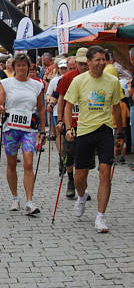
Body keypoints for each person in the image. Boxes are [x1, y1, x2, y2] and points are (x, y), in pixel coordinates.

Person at [64, 46, 123, 233]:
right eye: (97, 59)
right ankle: (81, 197)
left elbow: (117, 108)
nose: (101, 63)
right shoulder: (78, 81)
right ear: (88, 62)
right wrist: (67, 129)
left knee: (105, 172)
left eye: (103, 59)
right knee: (80, 176)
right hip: (84, 131)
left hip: (105, 130)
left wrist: (120, 134)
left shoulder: (113, 81)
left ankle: (100, 216)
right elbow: (68, 106)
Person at [0, 53, 46, 215]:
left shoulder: (37, 85)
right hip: (10, 127)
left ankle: (30, 201)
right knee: (11, 164)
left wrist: (43, 130)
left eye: (24, 65)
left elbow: (40, 108)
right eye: (18, 65)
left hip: (29, 128)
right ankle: (14, 197)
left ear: (29, 67)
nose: (21, 68)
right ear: (13, 67)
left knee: (28, 163)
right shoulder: (6, 83)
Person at [56, 48, 89, 198]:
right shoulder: (68, 77)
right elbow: (61, 99)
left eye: (86, 63)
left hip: (88, 123)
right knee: (69, 154)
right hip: (71, 122)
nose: (84, 67)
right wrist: (60, 119)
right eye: (80, 64)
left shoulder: (94, 77)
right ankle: (70, 180)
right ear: (76, 63)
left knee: (84, 157)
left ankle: (82, 185)